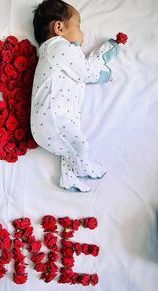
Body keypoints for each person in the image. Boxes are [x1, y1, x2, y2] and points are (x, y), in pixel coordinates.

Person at [31, 0, 126, 192]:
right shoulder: (59, 47)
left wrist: (106, 51)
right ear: (59, 27)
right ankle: (83, 167)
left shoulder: (55, 52)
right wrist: (106, 75)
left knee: (71, 148)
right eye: (78, 26)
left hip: (53, 120)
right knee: (80, 143)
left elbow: (81, 67)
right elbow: (88, 73)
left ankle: (69, 178)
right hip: (52, 119)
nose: (82, 34)